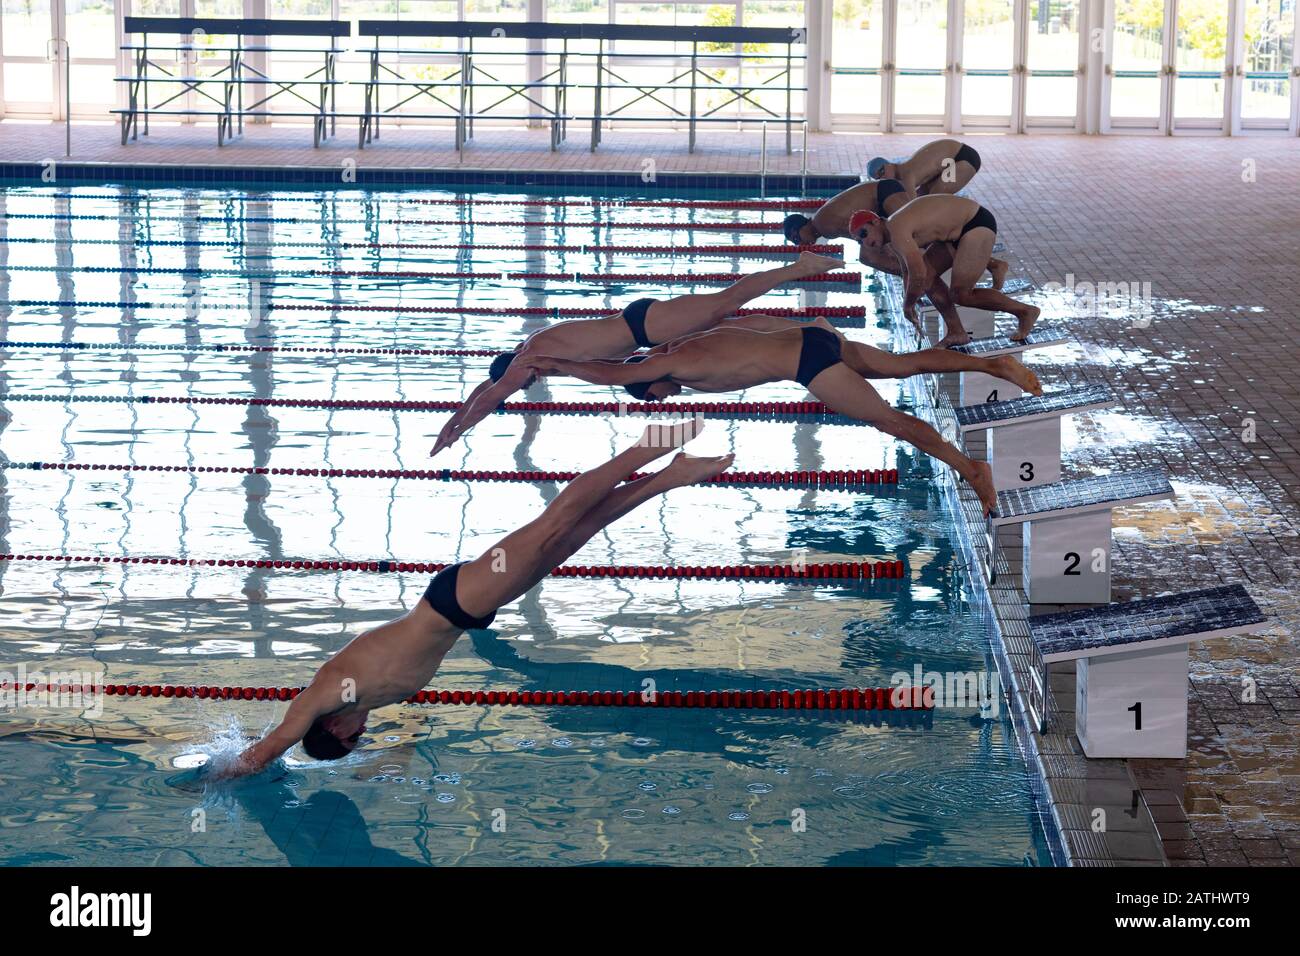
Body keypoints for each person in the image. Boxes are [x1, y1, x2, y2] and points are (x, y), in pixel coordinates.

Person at [227, 423, 731, 776]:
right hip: (468, 610)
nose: (364, 735)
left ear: (333, 728)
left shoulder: (325, 696)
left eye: (354, 739)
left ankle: (646, 450)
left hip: (455, 600)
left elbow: (273, 744)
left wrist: (218, 778)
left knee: (554, 521)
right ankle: (671, 474)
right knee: (580, 530)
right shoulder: (364, 700)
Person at [518, 318, 1043, 515]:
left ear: (646, 376)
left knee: (890, 421)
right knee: (904, 366)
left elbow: (611, 375)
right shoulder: (684, 342)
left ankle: (970, 470)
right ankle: (994, 363)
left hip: (809, 362)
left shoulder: (666, 360)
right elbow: (752, 328)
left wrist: (555, 363)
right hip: (815, 338)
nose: (658, 399)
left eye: (650, 396)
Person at [429, 252, 842, 456]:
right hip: (642, 327)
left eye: (525, 381)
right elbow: (486, 386)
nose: (532, 382)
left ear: (518, 371)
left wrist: (460, 430)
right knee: (731, 326)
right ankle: (809, 328)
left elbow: (492, 393)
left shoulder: (528, 360)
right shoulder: (527, 348)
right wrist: (453, 421)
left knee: (725, 302)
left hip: (644, 326)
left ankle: (798, 267)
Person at [782, 178, 1009, 347]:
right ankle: (988, 265)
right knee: (911, 260)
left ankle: (935, 301)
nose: (800, 244)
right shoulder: (823, 223)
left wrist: (907, 276)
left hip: (885, 195)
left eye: (796, 239)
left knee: (915, 263)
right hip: (883, 195)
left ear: (798, 228)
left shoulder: (825, 225)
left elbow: (863, 236)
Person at [852, 198, 1040, 342]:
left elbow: (917, 274)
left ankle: (1024, 311)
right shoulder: (893, 239)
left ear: (876, 221)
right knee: (928, 278)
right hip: (955, 232)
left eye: (863, 233)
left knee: (961, 295)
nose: (865, 242)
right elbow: (908, 272)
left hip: (975, 224)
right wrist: (907, 305)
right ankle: (957, 331)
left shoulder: (896, 229)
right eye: (859, 241)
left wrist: (908, 306)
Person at [865, 139, 982, 197]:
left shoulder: (906, 175)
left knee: (935, 196)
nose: (883, 176)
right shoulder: (904, 169)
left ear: (888, 164)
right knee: (925, 193)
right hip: (952, 158)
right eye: (879, 177)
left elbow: (913, 206)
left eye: (882, 171)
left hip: (964, 157)